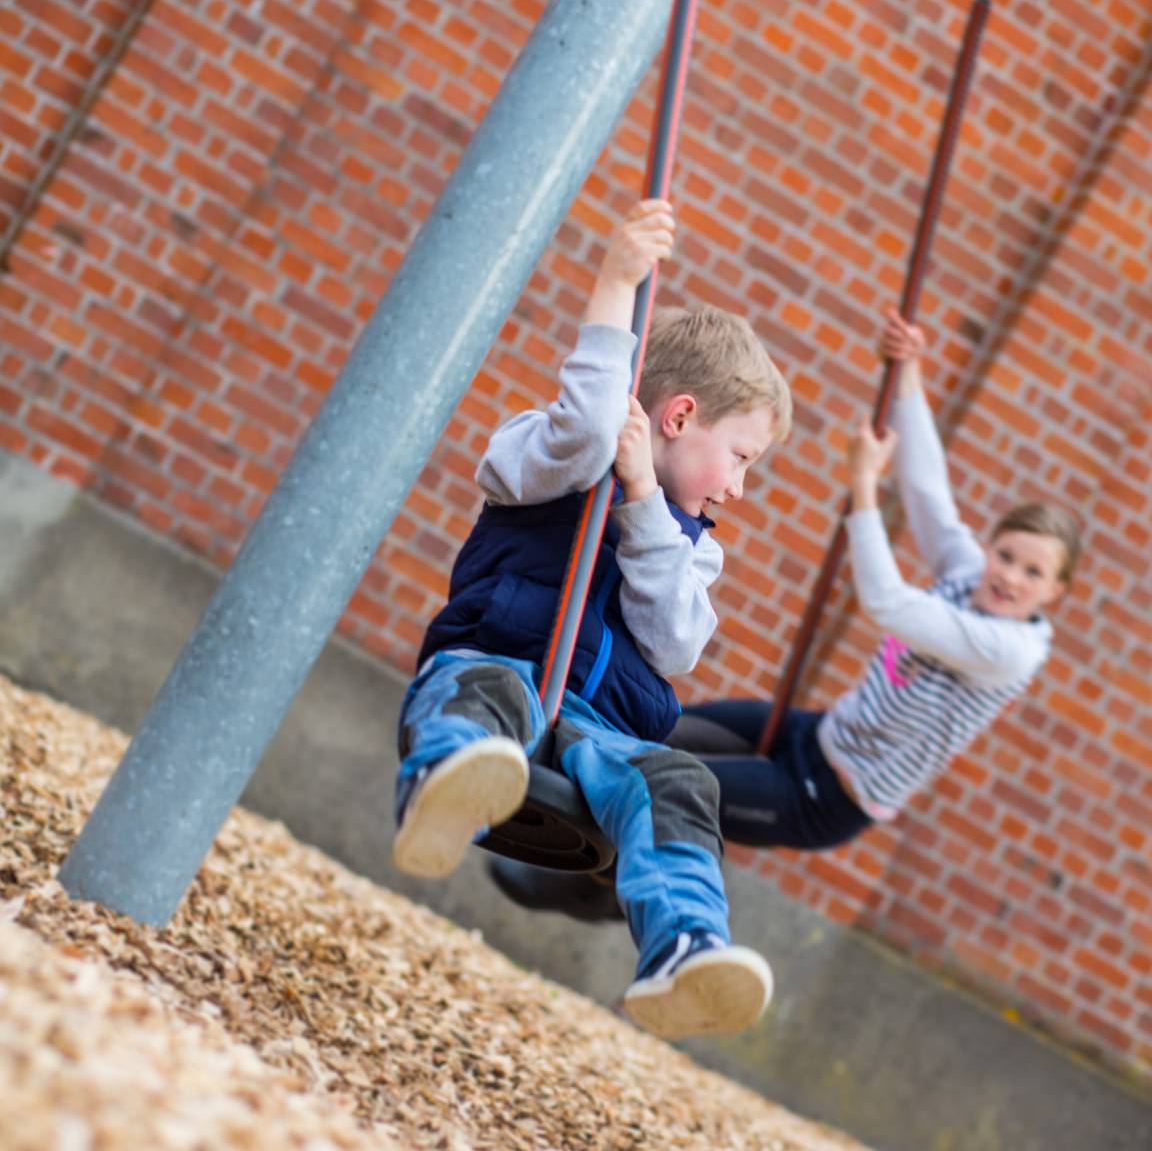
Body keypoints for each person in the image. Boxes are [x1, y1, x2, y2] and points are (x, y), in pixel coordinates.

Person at [488, 308, 1081, 921]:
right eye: (1007, 556)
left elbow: (887, 603)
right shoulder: (970, 575)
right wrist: (908, 374)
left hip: (826, 795)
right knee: (651, 735)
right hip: (815, 735)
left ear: (1055, 593)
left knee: (665, 788)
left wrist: (863, 487)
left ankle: (599, 894)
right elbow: (928, 490)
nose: (1011, 576)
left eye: (1034, 573)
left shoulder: (1008, 651)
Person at [391, 199, 793, 1039]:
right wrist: (615, 285)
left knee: (683, 781)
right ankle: (446, 782)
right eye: (740, 458)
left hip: (601, 733)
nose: (738, 487)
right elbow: (585, 430)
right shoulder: (546, 453)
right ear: (678, 418)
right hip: (502, 667)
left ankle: (683, 949)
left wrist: (644, 500)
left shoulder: (691, 546)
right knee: (486, 696)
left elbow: (675, 644)